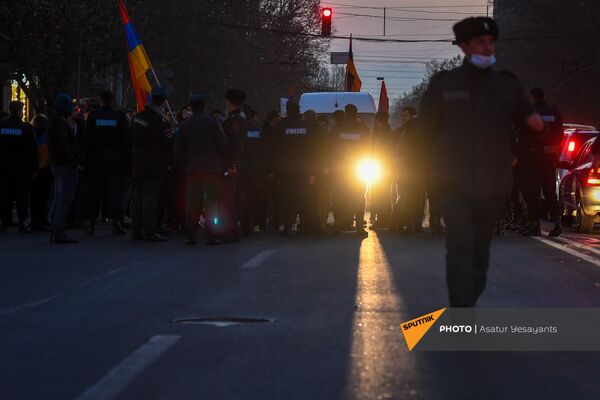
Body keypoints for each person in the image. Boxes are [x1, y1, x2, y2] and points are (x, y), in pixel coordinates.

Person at [419, 17, 544, 307]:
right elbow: (423, 133)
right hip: (452, 183)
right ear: (464, 46)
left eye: (490, 43)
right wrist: (425, 171)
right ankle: (461, 311)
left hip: (493, 183)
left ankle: (467, 299)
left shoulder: (508, 85)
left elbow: (530, 122)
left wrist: (537, 124)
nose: (487, 48)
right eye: (480, 43)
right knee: (460, 245)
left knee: (479, 254)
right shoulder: (444, 85)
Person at [173, 95, 228, 245]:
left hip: (193, 169)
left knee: (192, 202)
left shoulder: (185, 125)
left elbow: (178, 149)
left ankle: (190, 235)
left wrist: (184, 165)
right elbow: (223, 145)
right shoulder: (213, 123)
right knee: (211, 203)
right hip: (212, 169)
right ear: (204, 106)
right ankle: (210, 234)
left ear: (191, 106)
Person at [83, 90, 131, 235]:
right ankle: (116, 223)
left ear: (101, 100)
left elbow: (86, 141)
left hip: (96, 161)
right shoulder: (119, 117)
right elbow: (126, 141)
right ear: (112, 100)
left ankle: (91, 224)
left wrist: (88, 159)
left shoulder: (93, 116)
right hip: (115, 162)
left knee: (94, 193)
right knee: (115, 193)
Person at [518, 87, 564, 237]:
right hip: (549, 157)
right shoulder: (554, 112)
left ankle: (534, 225)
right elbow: (560, 134)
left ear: (532, 97)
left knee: (533, 192)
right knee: (550, 191)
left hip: (533, 157)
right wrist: (552, 146)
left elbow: (524, 136)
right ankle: (557, 224)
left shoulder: (530, 114)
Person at [130, 87, 172, 241]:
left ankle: (136, 230)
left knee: (137, 197)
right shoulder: (161, 121)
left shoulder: (138, 117)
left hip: (137, 163)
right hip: (154, 164)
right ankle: (149, 230)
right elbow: (168, 143)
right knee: (150, 199)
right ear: (163, 102)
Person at [275, 101, 317, 235]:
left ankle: (288, 225)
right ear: (299, 111)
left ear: (287, 111)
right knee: (304, 197)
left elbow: (276, 148)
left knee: (287, 198)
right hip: (304, 169)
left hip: (286, 169)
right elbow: (313, 150)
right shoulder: (306, 126)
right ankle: (305, 226)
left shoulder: (281, 126)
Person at [47, 93, 83, 243]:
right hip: (65, 165)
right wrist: (74, 160)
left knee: (59, 197)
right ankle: (59, 229)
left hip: (58, 164)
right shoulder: (59, 123)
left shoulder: (54, 121)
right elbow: (64, 145)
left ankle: (56, 228)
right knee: (64, 199)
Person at [330, 104, 370, 236]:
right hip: (358, 168)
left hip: (340, 169)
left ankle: (339, 225)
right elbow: (368, 148)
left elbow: (330, 148)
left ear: (346, 113)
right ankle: (359, 226)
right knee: (359, 197)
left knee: (339, 197)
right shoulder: (362, 128)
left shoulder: (337, 128)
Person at [0, 101, 38, 233]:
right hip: (21, 167)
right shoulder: (26, 128)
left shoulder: (2, 125)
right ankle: (22, 223)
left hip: (3, 166)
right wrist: (34, 167)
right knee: (21, 196)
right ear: (19, 111)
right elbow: (32, 150)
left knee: (4, 194)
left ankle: (3, 221)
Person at [220, 88, 248, 242]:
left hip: (232, 164)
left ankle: (231, 231)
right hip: (233, 163)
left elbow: (236, 145)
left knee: (229, 199)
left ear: (229, 101)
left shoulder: (237, 119)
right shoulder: (236, 117)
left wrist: (232, 165)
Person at [237, 104, 268, 235]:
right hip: (256, 169)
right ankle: (256, 222)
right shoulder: (257, 129)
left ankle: (244, 224)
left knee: (241, 197)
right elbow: (264, 151)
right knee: (255, 197)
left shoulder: (238, 129)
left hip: (241, 169)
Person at [370, 111, 394, 230]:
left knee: (382, 195)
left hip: (384, 168)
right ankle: (383, 219)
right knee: (378, 194)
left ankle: (384, 220)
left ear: (380, 121)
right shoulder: (377, 133)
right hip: (377, 166)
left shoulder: (387, 134)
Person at [30, 114, 53, 231]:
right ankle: (40, 221)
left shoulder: (33, 136)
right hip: (44, 171)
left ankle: (36, 221)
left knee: (35, 199)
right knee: (43, 198)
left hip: (35, 171)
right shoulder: (46, 139)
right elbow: (45, 159)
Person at [260, 111, 280, 230]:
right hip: (269, 169)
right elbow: (270, 152)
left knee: (267, 197)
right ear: (274, 119)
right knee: (272, 197)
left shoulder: (264, 129)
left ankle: (265, 222)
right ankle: (272, 221)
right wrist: (271, 170)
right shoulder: (269, 132)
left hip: (266, 168)